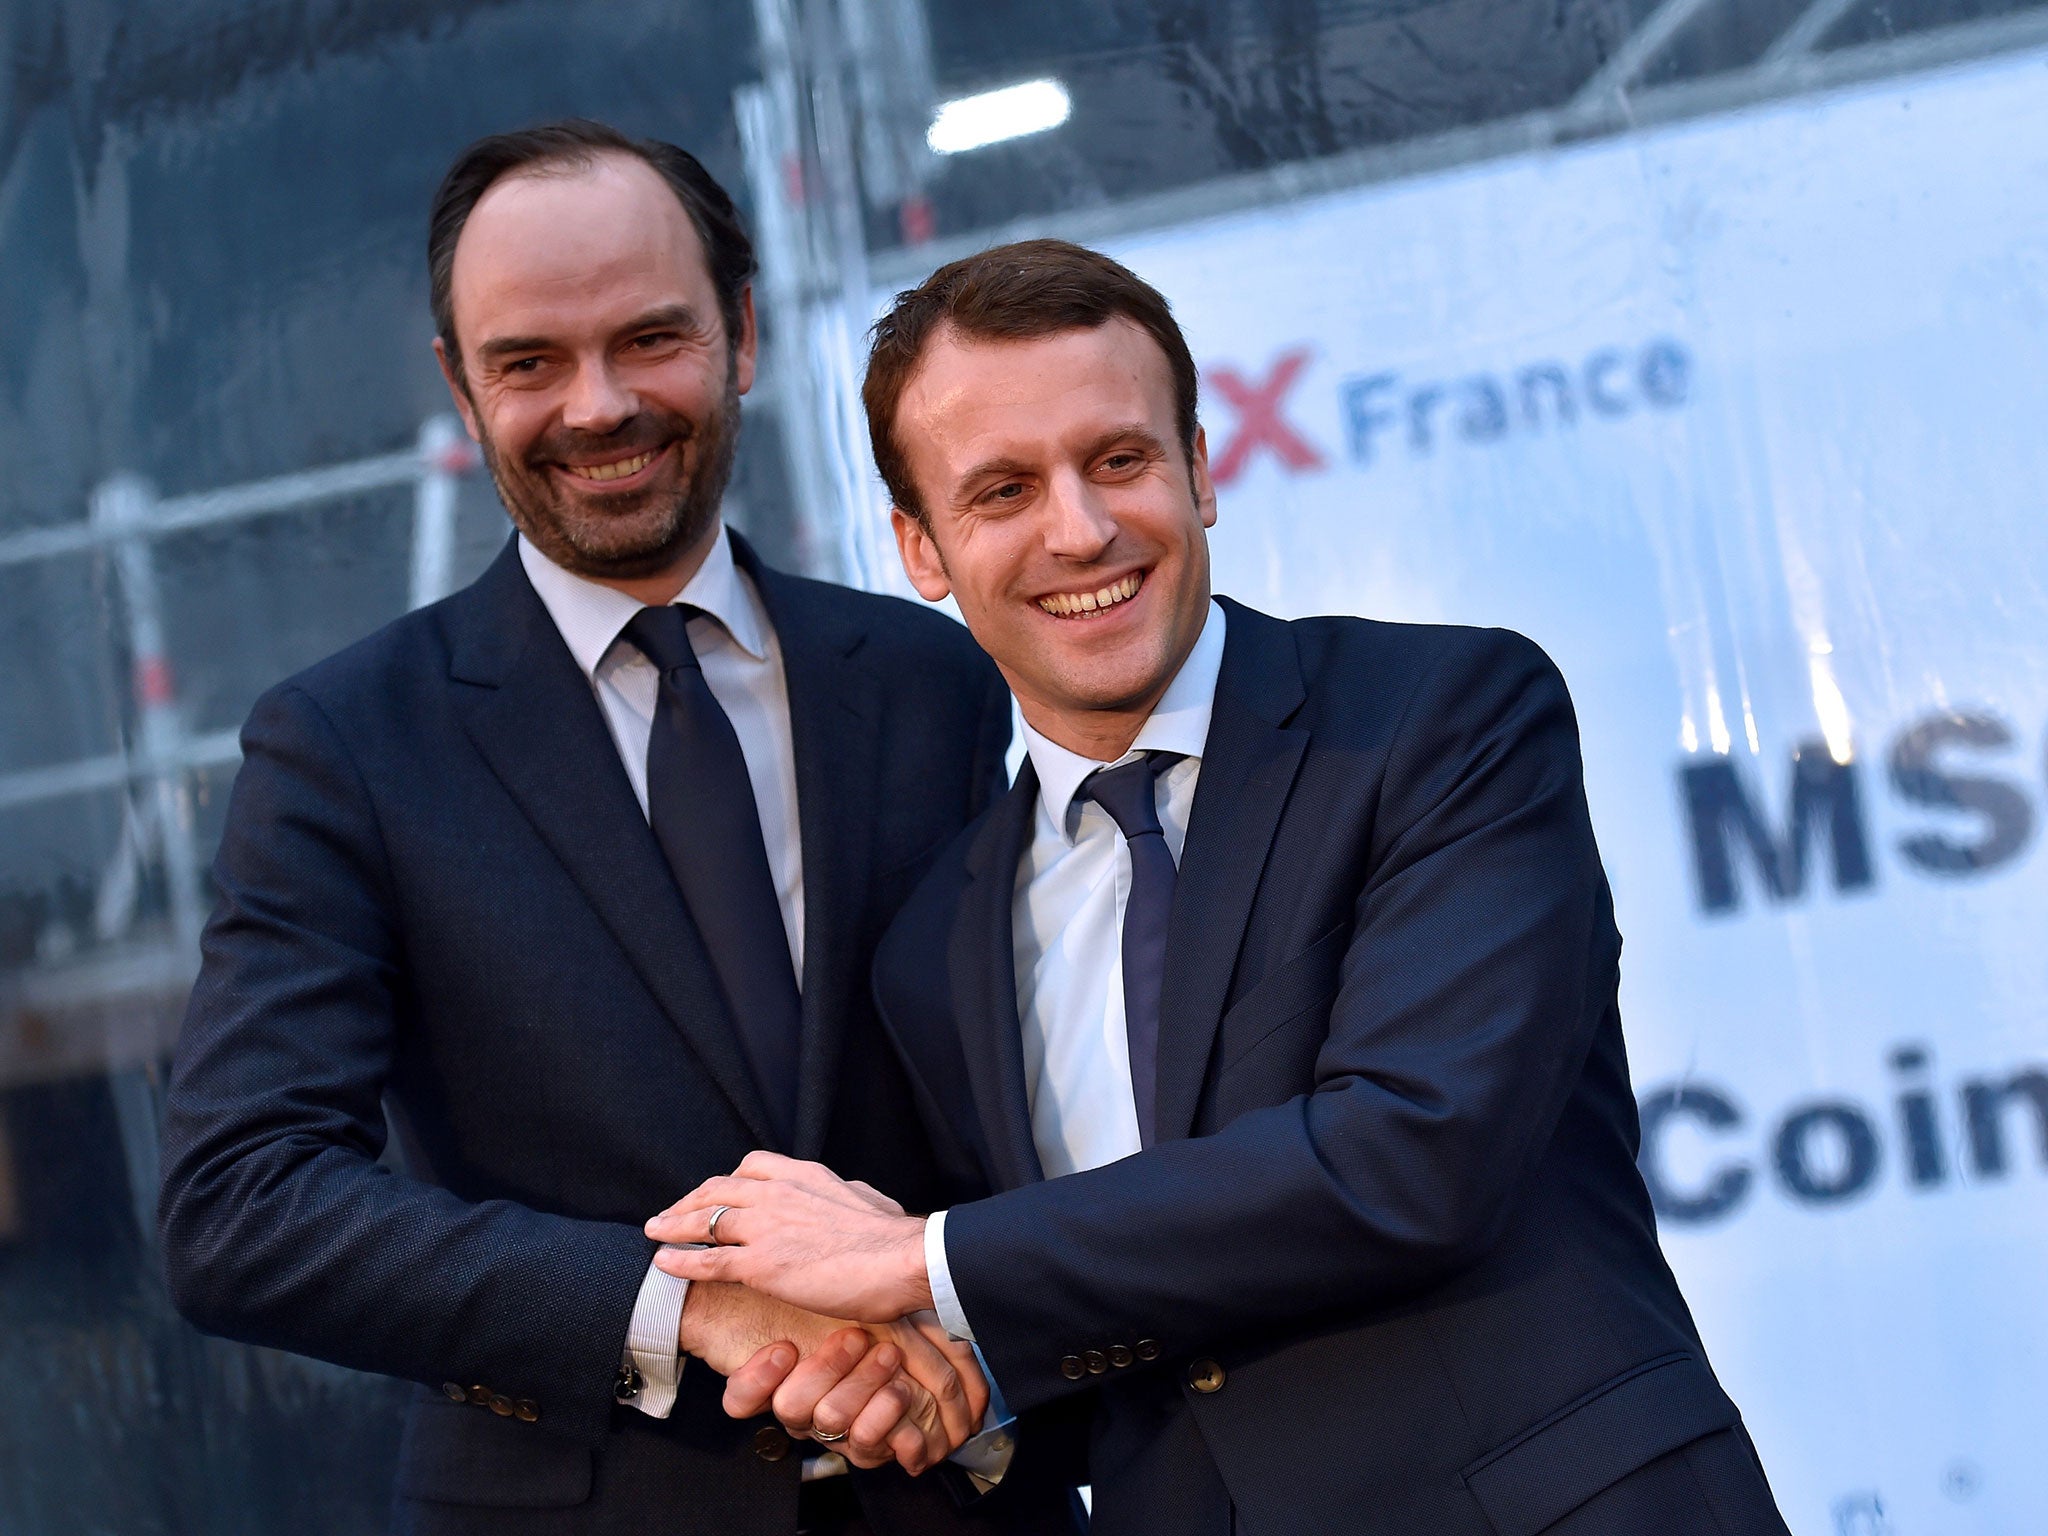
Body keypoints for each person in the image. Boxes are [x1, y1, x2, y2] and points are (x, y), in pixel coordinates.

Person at [648, 239, 1795, 1536]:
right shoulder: (934, 949)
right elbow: (1119, 1340)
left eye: (1118, 460)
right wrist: (960, 1393)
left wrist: (917, 1256)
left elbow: (1412, 1157)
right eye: (1005, 489)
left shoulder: (1445, 721)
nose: (1078, 529)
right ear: (922, 548)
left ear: (1199, 469)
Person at [156, 123, 1081, 1536]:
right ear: (461, 390)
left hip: (953, 1494)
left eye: (650, 338)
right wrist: (690, 1306)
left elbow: (1018, 1107)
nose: (598, 407)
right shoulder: (343, 747)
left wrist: (976, 1340)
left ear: (744, 334)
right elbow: (241, 1207)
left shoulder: (933, 680)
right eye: (529, 362)